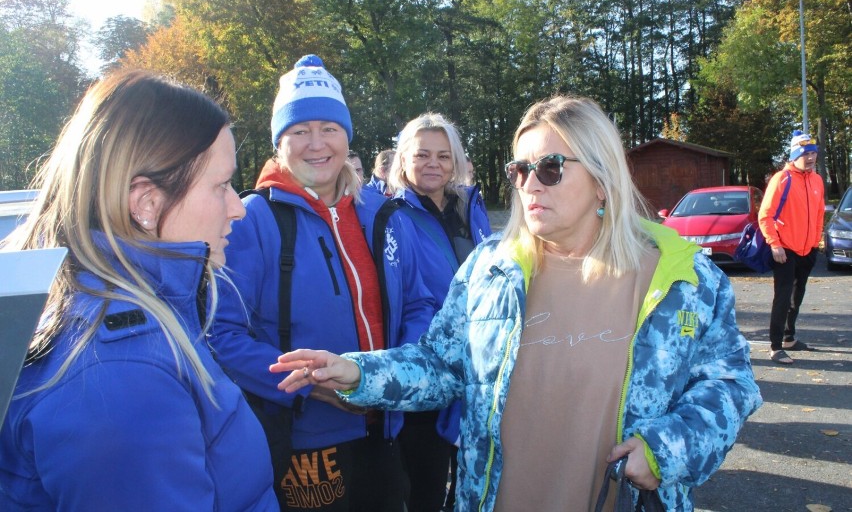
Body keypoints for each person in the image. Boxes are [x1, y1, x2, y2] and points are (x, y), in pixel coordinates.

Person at [271, 95, 762, 512]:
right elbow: (441, 365)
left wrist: (664, 451)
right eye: (520, 169)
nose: (529, 184)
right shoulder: (492, 266)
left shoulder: (684, 278)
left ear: (600, 178)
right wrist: (358, 374)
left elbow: (729, 384)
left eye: (550, 168)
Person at [0, 70, 278, 511]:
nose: (238, 207)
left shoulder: (124, 313)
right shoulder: (119, 375)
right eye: (221, 186)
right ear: (146, 202)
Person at [207, 55, 436, 512]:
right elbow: (221, 337)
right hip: (307, 442)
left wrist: (390, 377)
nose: (316, 144)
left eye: (328, 128)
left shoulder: (382, 214)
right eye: (299, 130)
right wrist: (314, 383)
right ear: (279, 142)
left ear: (346, 135)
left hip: (386, 428)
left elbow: (420, 303)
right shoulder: (254, 220)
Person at [387, 113, 492, 511]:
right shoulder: (390, 216)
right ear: (404, 160)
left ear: (456, 161)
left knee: (471, 477)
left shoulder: (471, 208)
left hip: (476, 363)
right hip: (426, 362)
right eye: (423, 155)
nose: (433, 164)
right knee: (425, 484)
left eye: (443, 156)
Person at [758, 131, 824, 365]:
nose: (811, 158)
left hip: (808, 250)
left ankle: (789, 337)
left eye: (814, 154)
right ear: (795, 155)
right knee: (783, 298)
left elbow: (818, 214)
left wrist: (816, 242)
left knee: (798, 296)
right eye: (806, 154)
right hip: (785, 250)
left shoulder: (816, 180)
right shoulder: (782, 179)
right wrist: (775, 245)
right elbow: (764, 215)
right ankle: (776, 347)